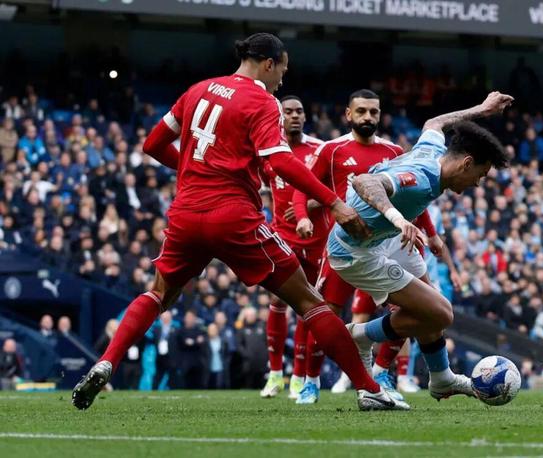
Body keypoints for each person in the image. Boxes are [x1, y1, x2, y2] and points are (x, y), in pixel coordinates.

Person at [72, 33, 404, 411]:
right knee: (309, 301)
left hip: (186, 213)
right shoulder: (262, 100)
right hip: (233, 215)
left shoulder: (198, 90)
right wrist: (334, 202)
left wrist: (193, 171)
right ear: (269, 64)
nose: (281, 80)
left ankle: (106, 361)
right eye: (282, 71)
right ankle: (369, 389)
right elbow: (280, 161)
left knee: (158, 294)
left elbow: (153, 144)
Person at [329, 91, 514, 401]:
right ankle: (359, 335)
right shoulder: (422, 178)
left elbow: (434, 122)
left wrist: (482, 109)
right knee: (441, 314)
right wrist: (399, 219)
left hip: (384, 238)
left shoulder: (433, 151)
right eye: (480, 175)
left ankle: (441, 379)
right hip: (356, 252)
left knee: (430, 308)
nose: (477, 184)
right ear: (466, 163)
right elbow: (364, 182)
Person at [291, 89, 442, 402]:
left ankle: (382, 371)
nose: (367, 117)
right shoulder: (332, 150)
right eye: (361, 111)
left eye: (373, 112)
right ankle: (311, 380)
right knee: (324, 311)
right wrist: (303, 217)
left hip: (385, 245)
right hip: (345, 247)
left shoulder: (393, 151)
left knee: (410, 308)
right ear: (348, 114)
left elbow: (414, 198)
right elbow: (303, 186)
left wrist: (431, 233)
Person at [258, 95, 325, 400]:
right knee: (277, 301)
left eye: (299, 111)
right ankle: (275, 375)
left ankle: (298, 377)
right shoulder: (270, 151)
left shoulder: (320, 149)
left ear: (305, 116)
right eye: (288, 112)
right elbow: (260, 186)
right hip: (281, 236)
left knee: (307, 306)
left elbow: (335, 190)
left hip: (315, 238)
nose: (295, 116)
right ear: (280, 116)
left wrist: (309, 205)